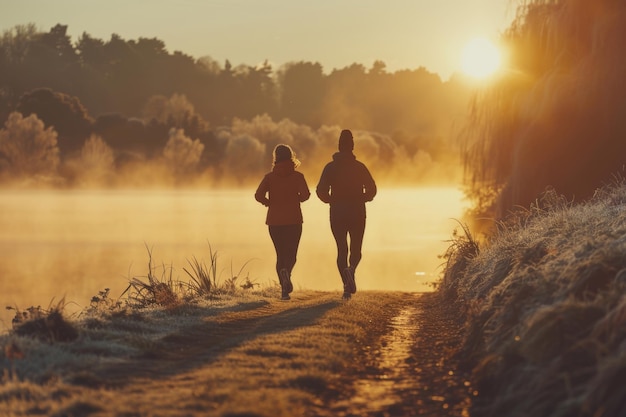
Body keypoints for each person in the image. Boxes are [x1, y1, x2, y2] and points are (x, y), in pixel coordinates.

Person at [316, 129, 377, 300]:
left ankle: (346, 286)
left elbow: (320, 191)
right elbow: (372, 189)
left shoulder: (330, 168)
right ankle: (351, 271)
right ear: (352, 146)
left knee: (342, 250)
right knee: (356, 250)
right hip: (357, 213)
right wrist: (363, 198)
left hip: (337, 214)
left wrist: (331, 201)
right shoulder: (360, 167)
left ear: (338, 146)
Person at [255, 144, 310, 300]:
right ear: (291, 157)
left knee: (280, 255)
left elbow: (258, 195)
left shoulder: (269, 178)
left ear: (275, 158)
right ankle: (287, 275)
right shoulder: (298, 177)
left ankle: (284, 290)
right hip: (294, 220)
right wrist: (295, 199)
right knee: (291, 255)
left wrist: (269, 203)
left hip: (274, 222)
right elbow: (306, 195)